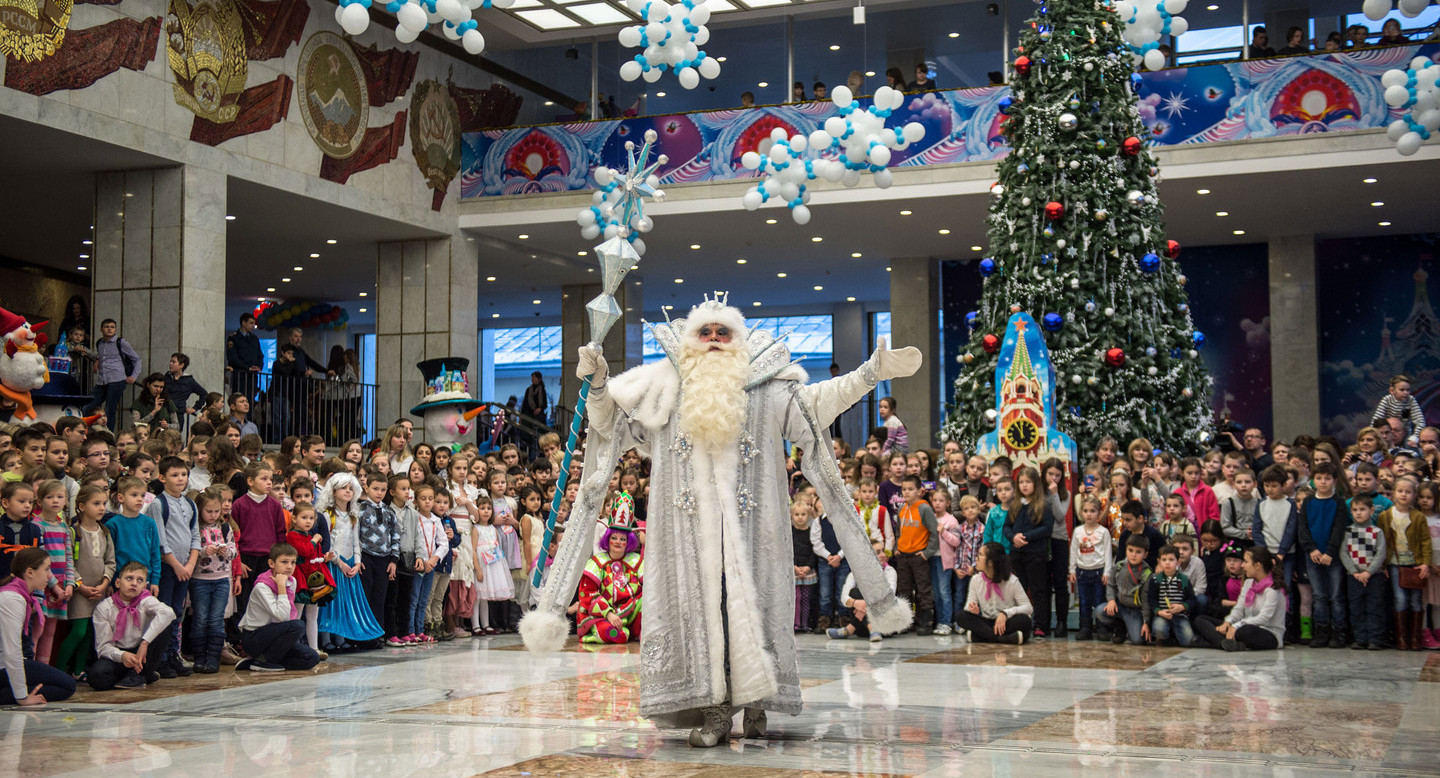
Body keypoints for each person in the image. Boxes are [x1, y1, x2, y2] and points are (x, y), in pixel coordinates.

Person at [527, 295, 919, 748]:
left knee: (752, 608)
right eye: (705, 333)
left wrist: (870, 373)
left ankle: (756, 700)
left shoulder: (771, 388)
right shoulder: (662, 385)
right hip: (688, 537)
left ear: (739, 341)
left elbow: (818, 404)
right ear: (691, 340)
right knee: (703, 614)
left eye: (723, 333)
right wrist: (597, 383)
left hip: (757, 534)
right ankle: (714, 711)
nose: (714, 340)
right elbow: (610, 422)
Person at [141, 456, 198, 677]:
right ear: (162, 478)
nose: (180, 479)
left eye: (183, 474)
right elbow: (160, 540)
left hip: (185, 569)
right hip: (167, 568)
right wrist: (175, 564)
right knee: (163, 612)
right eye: (175, 475)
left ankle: (173, 653)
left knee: (178, 612)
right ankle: (160, 657)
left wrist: (191, 564)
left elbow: (195, 535)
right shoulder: (158, 504)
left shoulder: (189, 503)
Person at [54, 485, 114, 679]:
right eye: (96, 503)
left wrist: (105, 583)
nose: (101, 508)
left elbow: (110, 561)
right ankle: (58, 670)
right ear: (81, 506)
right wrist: (80, 585)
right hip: (80, 592)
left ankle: (78, 671)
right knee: (78, 631)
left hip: (98, 591)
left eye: (104, 503)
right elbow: (69, 562)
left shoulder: (104, 532)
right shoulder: (74, 532)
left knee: (90, 633)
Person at [86, 561, 174, 690]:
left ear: (145, 587)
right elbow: (103, 647)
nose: (134, 583)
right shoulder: (104, 607)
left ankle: (142, 673)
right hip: (118, 653)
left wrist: (145, 643)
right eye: (129, 578)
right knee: (97, 677)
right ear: (118, 583)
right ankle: (140, 675)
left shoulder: (146, 601)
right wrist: (122, 656)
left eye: (140, 580)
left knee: (165, 625)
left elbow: (168, 613)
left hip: (143, 653)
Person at [236, 543, 321, 672]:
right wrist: (281, 588)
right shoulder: (262, 586)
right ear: (271, 563)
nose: (289, 566)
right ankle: (264, 661)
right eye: (284, 562)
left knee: (312, 658)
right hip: (254, 637)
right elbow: (282, 616)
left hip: (276, 635)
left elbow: (286, 617)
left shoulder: (291, 581)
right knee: (298, 625)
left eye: (293, 562)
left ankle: (258, 661)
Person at [577, 495, 644, 644]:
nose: (618, 542)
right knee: (615, 634)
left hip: (630, 613)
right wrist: (609, 614)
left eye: (622, 539)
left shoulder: (636, 560)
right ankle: (610, 633)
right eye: (614, 538)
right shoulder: (596, 562)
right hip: (602, 616)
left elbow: (651, 586)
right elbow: (588, 594)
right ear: (608, 539)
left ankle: (633, 631)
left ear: (629, 542)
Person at [1194, 546, 1286, 651]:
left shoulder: (1273, 589)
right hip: (1242, 625)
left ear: (1257, 566)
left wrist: (1237, 626)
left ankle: (1216, 641)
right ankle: (1224, 643)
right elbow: (1239, 609)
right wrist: (1227, 623)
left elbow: (1264, 618)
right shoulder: (1248, 583)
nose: (1243, 565)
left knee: (1246, 631)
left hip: (1267, 632)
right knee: (1200, 619)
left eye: (1246, 562)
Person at [1298, 462, 1349, 648]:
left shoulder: (1339, 503)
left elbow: (1338, 529)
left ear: (1335, 481)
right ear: (1313, 480)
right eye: (1319, 478)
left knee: (1335, 595)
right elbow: (1302, 528)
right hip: (1312, 555)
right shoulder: (1309, 502)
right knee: (1319, 595)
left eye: (1328, 478)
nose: (1323, 482)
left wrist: (1329, 552)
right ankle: (1321, 631)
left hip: (1332, 556)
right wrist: (1311, 549)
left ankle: (1339, 632)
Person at [1379, 477, 1432, 650]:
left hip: (1415, 564)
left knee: (1416, 600)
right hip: (1395, 564)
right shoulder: (1385, 516)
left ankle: (1415, 638)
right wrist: (1383, 565)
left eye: (1408, 492)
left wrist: (1426, 563)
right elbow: (1382, 542)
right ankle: (1401, 638)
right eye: (1400, 491)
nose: (1404, 494)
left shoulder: (1418, 517)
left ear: (1414, 495)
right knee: (1400, 599)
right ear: (1394, 493)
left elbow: (1425, 541)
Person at [956, 542, 1033, 644]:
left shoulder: (1012, 581)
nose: (976, 558)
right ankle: (1004, 638)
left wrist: (1005, 613)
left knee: (1025, 621)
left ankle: (981, 637)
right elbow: (968, 607)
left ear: (991, 562)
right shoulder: (975, 580)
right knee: (960, 616)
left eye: (981, 555)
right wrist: (972, 609)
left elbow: (1028, 608)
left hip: (1006, 623)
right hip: (986, 622)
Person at [1341, 494, 1387, 651]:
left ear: (1371, 510)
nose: (1358, 513)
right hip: (1353, 577)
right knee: (1356, 608)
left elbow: (1380, 554)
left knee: (1375, 607)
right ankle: (1360, 638)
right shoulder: (1347, 532)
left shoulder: (1377, 532)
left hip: (1374, 576)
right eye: (1355, 510)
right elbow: (1344, 553)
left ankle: (1375, 638)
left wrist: (1368, 572)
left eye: (1362, 509)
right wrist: (1354, 572)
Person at [103, 476, 163, 596]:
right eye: (134, 495)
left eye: (142, 495)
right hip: (120, 582)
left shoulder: (149, 523)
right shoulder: (113, 524)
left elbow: (155, 553)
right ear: (121, 497)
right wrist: (110, 582)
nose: (139, 499)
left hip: (144, 581)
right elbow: (108, 556)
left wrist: (155, 581)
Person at [827, 541, 896, 642]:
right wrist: (856, 603)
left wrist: (863, 605)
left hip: (884, 625)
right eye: (878, 552)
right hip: (863, 627)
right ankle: (871, 627)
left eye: (883, 551)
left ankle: (850, 629)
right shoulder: (856, 573)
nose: (883, 555)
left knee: (870, 594)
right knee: (854, 593)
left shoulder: (889, 571)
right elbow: (844, 597)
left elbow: (888, 598)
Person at [83, 319, 141, 431]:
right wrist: (97, 360)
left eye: (112, 327)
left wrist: (134, 375)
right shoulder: (99, 342)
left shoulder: (121, 342)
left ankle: (107, 435)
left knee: (110, 409)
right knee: (87, 406)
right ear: (101, 329)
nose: (109, 329)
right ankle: (87, 431)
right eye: (106, 327)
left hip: (117, 379)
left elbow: (137, 359)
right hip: (102, 380)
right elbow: (103, 356)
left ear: (115, 329)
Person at [1070, 497, 1112, 641]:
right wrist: (1072, 570)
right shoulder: (1078, 531)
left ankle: (1101, 628)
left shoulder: (1104, 532)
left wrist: (1107, 572)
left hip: (1098, 571)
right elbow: (1074, 551)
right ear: (1081, 512)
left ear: (1099, 513)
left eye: (1093, 511)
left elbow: (1108, 553)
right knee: (1083, 601)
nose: (1089, 514)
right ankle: (1085, 628)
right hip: (1082, 571)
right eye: (1086, 511)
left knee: (1100, 601)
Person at [1097, 534, 1152, 644]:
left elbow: (1146, 600)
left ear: (1145, 554)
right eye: (1130, 550)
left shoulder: (1147, 573)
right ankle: (1119, 626)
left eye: (1138, 552)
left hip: (1135, 610)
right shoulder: (1119, 566)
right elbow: (1111, 585)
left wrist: (1146, 622)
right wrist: (1111, 600)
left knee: (1138, 641)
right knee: (1099, 611)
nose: (1133, 555)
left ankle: (1127, 625)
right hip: (1119, 606)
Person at [1146, 544, 1197, 646]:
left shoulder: (1184, 579)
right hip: (1162, 615)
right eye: (1164, 560)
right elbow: (1152, 600)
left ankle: (1175, 637)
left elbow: (1192, 599)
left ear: (1178, 562)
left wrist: (1182, 606)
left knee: (1189, 641)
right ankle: (1165, 638)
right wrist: (1159, 612)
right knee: (1159, 630)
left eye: (1171, 559)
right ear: (1159, 562)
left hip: (1180, 615)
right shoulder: (1156, 579)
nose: (1167, 563)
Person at [1373, 374, 1426, 447]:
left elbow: (1420, 422)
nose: (1406, 393)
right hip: (1387, 435)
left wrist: (1414, 438)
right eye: (1402, 390)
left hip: (1406, 435)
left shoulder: (1411, 400)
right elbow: (1376, 420)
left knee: (1410, 448)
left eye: (1408, 390)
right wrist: (1374, 436)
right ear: (1392, 390)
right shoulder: (1387, 400)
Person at [163, 353, 207, 430]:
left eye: (173, 362)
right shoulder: (167, 377)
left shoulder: (188, 380)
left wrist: (195, 408)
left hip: (178, 413)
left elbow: (203, 393)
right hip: (164, 411)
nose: (170, 364)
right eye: (170, 361)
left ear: (181, 365)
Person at [225, 313, 263, 399]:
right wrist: (247, 367)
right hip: (240, 375)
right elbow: (232, 358)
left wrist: (259, 367)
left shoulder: (254, 338)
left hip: (252, 376)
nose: (253, 326)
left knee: (250, 400)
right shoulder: (234, 338)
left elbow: (260, 355)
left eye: (254, 323)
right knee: (238, 398)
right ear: (243, 323)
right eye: (251, 323)